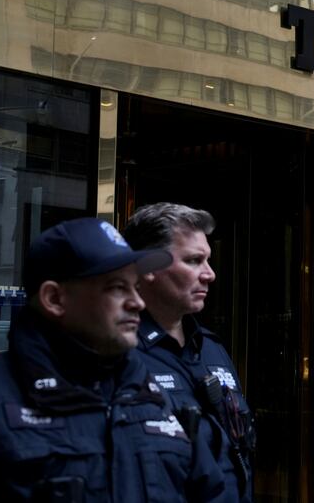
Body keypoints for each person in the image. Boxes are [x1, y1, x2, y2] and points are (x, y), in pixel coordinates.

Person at [0, 217, 228, 502]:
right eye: (117, 287)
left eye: (135, 287)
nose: (137, 303)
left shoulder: (155, 396)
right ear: (54, 299)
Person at [123, 203, 255, 503]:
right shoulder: (117, 353)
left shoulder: (211, 349)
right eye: (194, 261)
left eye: (208, 260)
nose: (210, 274)